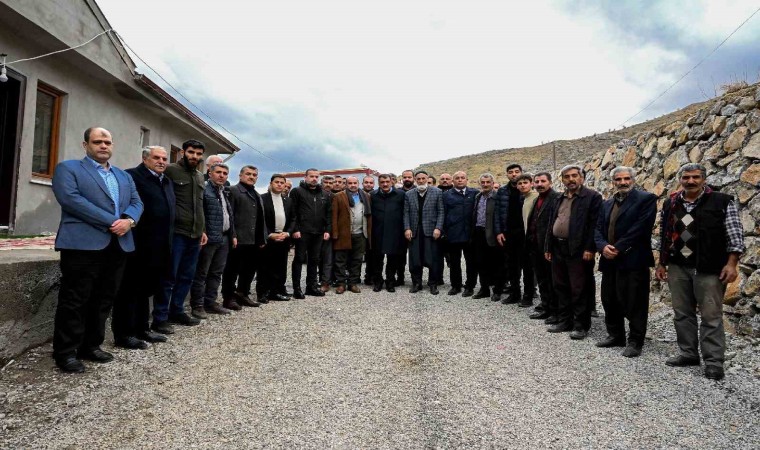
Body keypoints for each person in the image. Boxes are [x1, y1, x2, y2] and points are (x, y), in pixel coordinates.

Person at [51, 127, 143, 373]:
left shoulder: (123, 176)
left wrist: (129, 221)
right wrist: (113, 222)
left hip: (117, 245)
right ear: (85, 145)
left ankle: (91, 346)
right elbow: (71, 200)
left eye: (107, 142)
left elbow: (137, 202)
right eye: (97, 141)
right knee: (75, 299)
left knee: (103, 298)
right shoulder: (68, 169)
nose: (103, 146)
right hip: (82, 244)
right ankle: (65, 352)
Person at [656, 163, 744, 380]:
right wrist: (662, 263)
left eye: (696, 177)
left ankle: (713, 362)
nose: (691, 181)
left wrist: (731, 264)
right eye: (686, 177)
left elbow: (735, 235)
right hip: (678, 266)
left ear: (704, 179)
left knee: (711, 316)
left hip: (709, 267)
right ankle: (688, 353)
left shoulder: (722, 201)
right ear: (680, 179)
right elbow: (664, 234)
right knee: (682, 313)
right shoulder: (671, 203)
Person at [112, 146, 174, 351]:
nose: (161, 161)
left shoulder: (166, 181)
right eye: (156, 157)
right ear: (145, 158)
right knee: (129, 290)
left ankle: (142, 329)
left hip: (159, 245)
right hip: (137, 244)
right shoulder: (131, 176)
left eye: (164, 158)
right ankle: (124, 333)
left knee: (147, 289)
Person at [594, 166, 657, 358]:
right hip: (609, 260)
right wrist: (602, 246)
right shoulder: (607, 204)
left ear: (633, 179)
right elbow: (597, 229)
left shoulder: (646, 199)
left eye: (626, 178)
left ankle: (635, 341)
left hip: (633, 260)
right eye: (618, 179)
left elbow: (641, 228)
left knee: (635, 302)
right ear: (613, 182)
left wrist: (618, 248)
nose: (623, 182)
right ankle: (615, 335)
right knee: (609, 299)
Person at [544, 165, 602, 340]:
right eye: (567, 176)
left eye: (574, 175)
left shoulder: (592, 197)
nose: (571, 179)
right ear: (562, 179)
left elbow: (594, 224)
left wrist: (590, 248)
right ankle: (565, 321)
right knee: (561, 286)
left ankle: (580, 325)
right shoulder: (559, 198)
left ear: (581, 178)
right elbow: (551, 223)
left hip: (578, 250)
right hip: (558, 248)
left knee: (579, 288)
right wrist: (548, 247)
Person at [158, 139, 207, 331]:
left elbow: (200, 205)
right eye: (191, 152)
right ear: (182, 152)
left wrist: (203, 230)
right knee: (169, 276)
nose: (195, 156)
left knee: (187, 276)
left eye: (198, 154)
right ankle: (160, 317)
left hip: (195, 234)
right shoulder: (170, 171)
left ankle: (177, 311)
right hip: (176, 233)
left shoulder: (200, 176)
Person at [190, 163, 237, 317]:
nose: (221, 175)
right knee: (201, 273)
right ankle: (197, 305)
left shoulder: (224, 191)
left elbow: (229, 215)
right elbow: (199, 213)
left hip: (224, 238)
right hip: (209, 238)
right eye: (218, 172)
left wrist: (233, 235)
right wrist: (202, 232)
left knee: (216, 273)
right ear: (210, 173)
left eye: (225, 173)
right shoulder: (204, 190)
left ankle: (210, 302)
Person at [221, 165, 266, 310]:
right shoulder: (233, 191)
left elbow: (261, 219)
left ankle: (243, 293)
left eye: (254, 175)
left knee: (249, 269)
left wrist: (262, 238)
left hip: (254, 240)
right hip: (238, 239)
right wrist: (233, 235)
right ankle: (228, 298)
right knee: (232, 270)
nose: (251, 177)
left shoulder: (257, 194)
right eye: (248, 174)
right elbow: (229, 215)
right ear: (240, 175)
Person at [290, 168, 332, 298]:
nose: (314, 179)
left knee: (314, 260)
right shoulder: (297, 191)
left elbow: (328, 214)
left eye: (316, 177)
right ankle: (297, 289)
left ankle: (311, 287)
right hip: (302, 232)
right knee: (299, 259)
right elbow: (292, 212)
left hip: (318, 232)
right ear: (306, 177)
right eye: (311, 176)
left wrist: (327, 230)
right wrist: (295, 229)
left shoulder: (324, 194)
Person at [525, 172, 561, 322]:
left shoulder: (556, 198)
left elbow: (553, 225)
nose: (540, 184)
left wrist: (548, 247)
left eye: (543, 181)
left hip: (548, 247)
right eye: (537, 181)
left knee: (552, 280)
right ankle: (546, 306)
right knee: (541, 279)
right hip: (535, 245)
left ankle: (556, 311)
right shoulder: (537, 199)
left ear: (550, 182)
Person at [404, 170, 445, 294]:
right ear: (415, 180)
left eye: (423, 178)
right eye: (418, 179)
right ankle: (417, 283)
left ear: (427, 179)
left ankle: (433, 284)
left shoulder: (437, 192)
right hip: (415, 231)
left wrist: (438, 228)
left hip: (431, 231)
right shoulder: (409, 194)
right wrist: (407, 228)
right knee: (415, 259)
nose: (421, 181)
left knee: (433, 258)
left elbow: (441, 212)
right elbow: (406, 213)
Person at [332, 176, 372, 293]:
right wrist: (335, 233)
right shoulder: (339, 196)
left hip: (360, 233)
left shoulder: (366, 196)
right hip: (344, 234)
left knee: (357, 260)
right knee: (340, 260)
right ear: (346, 184)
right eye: (350, 183)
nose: (353, 185)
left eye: (355, 183)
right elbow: (334, 215)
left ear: (358, 184)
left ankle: (352, 283)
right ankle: (341, 283)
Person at [495, 163, 528, 304]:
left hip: (525, 233)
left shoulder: (527, 190)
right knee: (512, 265)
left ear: (521, 172)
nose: (514, 174)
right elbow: (497, 213)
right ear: (507, 175)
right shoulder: (502, 191)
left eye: (516, 171)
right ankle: (515, 293)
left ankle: (529, 294)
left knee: (527, 265)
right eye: (510, 172)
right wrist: (499, 232)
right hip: (508, 233)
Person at [442, 171, 479, 296]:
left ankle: (470, 286)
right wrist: (444, 231)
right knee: (454, 262)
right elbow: (443, 213)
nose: (460, 180)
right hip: (453, 233)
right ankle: (455, 286)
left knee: (471, 262)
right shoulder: (446, 195)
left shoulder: (474, 193)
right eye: (457, 178)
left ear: (467, 180)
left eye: (462, 178)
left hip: (470, 234)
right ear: (453, 181)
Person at [260, 174, 296, 301]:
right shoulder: (262, 198)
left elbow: (293, 219)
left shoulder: (288, 200)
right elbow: (260, 219)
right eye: (277, 182)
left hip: (283, 237)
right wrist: (270, 234)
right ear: (271, 183)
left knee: (280, 266)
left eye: (282, 183)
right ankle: (263, 293)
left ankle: (276, 291)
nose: (279, 184)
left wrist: (287, 233)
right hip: (268, 238)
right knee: (265, 266)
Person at [369, 174, 406, 292]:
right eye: (382, 182)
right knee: (377, 259)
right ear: (378, 183)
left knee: (392, 259)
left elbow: (405, 212)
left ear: (391, 182)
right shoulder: (372, 195)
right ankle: (378, 281)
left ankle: (390, 281)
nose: (385, 184)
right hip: (377, 232)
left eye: (387, 181)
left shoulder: (401, 195)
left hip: (394, 232)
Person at [471, 173, 503, 301]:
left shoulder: (497, 197)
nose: (485, 184)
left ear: (492, 183)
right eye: (483, 182)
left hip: (493, 233)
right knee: (480, 262)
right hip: (479, 233)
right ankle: (484, 289)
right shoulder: (478, 196)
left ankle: (497, 290)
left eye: (488, 182)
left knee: (496, 264)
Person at [515, 173, 537, 307]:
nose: (523, 185)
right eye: (520, 183)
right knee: (528, 269)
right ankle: (528, 296)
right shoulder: (524, 199)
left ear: (531, 184)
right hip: (525, 239)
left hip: (535, 240)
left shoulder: (536, 198)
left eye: (525, 183)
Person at [396, 169, 416, 284]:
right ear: (402, 179)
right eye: (405, 177)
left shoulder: (418, 191)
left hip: (415, 228)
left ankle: (415, 279)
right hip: (400, 228)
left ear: (413, 178)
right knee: (400, 255)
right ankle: (400, 278)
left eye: (409, 177)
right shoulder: (398, 192)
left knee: (415, 255)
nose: (407, 179)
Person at [362, 175, 377, 285]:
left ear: (374, 184)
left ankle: (370, 276)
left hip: (373, 228)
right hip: (360, 228)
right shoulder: (358, 194)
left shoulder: (376, 195)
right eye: (366, 182)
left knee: (372, 255)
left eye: (371, 183)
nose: (368, 184)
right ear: (362, 183)